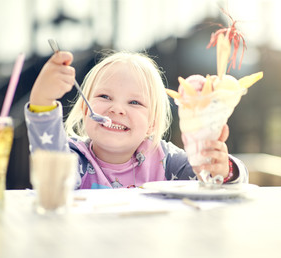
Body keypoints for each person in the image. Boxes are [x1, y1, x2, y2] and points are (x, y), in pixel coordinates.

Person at [24, 50, 248, 189]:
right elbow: (52, 180)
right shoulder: (75, 159)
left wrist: (222, 170)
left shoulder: (166, 160)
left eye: (134, 103)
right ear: (84, 108)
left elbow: (217, 184)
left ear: (152, 123)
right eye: (104, 96)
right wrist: (42, 100)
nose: (117, 109)